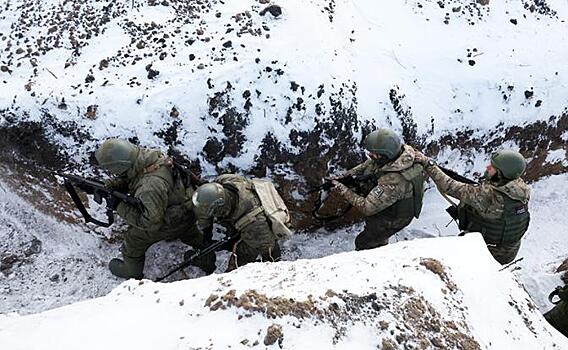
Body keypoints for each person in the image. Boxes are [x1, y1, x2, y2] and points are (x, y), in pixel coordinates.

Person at [95, 138, 214, 279]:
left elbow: (150, 222)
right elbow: (133, 175)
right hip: (186, 210)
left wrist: (117, 205)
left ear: (120, 165)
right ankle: (208, 260)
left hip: (169, 222)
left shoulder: (149, 187)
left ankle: (131, 273)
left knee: (133, 242)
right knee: (193, 235)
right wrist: (110, 186)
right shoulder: (151, 158)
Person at [413, 149, 530, 264]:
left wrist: (428, 163)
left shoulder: (488, 196)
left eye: (493, 167)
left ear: (501, 174)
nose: (488, 168)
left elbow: (449, 186)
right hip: (509, 252)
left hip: (487, 253)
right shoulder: (521, 189)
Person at [330, 128, 425, 250]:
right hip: (391, 204)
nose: (370, 156)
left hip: (394, 218)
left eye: (373, 154)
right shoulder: (398, 154)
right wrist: (347, 175)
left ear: (384, 155)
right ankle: (381, 242)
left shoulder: (395, 180)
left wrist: (342, 189)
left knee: (364, 242)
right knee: (377, 234)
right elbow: (369, 164)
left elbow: (367, 207)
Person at [191, 174, 286, 271]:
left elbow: (269, 248)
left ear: (221, 210)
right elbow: (206, 209)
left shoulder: (255, 225)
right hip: (247, 218)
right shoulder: (225, 181)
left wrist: (229, 245)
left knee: (240, 259)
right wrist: (207, 234)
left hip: (258, 232)